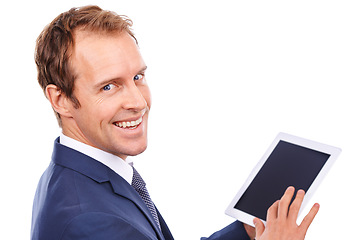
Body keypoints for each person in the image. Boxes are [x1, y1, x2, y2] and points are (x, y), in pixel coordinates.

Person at [31, 5, 320, 240]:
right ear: (61, 100)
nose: (138, 102)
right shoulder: (92, 221)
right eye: (109, 86)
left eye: (137, 77)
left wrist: (245, 232)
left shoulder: (83, 172)